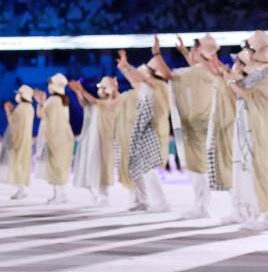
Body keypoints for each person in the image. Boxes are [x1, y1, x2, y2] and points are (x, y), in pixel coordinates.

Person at [217, 31, 268, 231]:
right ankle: (244, 210)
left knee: (259, 168)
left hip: (258, 125)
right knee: (243, 167)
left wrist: (230, 80)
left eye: (249, 47)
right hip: (244, 121)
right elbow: (239, 82)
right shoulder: (254, 68)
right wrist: (235, 71)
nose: (246, 50)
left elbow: (247, 94)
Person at [154, 35, 225, 219]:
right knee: (200, 166)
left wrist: (157, 55)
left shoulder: (200, 71)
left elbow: (170, 75)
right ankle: (202, 205)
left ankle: (201, 207)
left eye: (195, 48)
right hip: (203, 124)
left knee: (197, 167)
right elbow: (194, 68)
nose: (192, 52)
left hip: (197, 126)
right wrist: (185, 52)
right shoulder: (208, 71)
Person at [116, 42, 171, 214]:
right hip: (144, 128)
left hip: (152, 129)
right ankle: (142, 200)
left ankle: (161, 203)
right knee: (138, 166)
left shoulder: (160, 85)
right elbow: (136, 81)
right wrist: (125, 69)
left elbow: (140, 79)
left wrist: (127, 66)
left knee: (148, 168)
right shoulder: (147, 84)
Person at [68, 77, 118, 206]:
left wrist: (82, 90)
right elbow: (86, 104)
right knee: (89, 166)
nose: (99, 90)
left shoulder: (112, 102)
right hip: (92, 140)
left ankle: (103, 196)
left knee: (103, 168)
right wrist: (78, 92)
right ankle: (95, 194)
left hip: (104, 141)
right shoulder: (99, 103)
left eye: (102, 88)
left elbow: (95, 102)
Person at [39, 74, 74, 205]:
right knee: (61, 166)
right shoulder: (64, 99)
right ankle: (62, 194)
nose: (48, 86)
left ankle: (58, 195)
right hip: (65, 136)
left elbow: (41, 114)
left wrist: (41, 101)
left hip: (56, 138)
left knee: (55, 166)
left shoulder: (52, 100)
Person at [0, 85, 36, 200]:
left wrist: (8, 112)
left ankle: (21, 189)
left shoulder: (21, 108)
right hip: (26, 139)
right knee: (23, 164)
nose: (16, 95)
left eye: (18, 93)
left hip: (19, 140)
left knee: (18, 164)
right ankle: (21, 188)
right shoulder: (29, 107)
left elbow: (13, 124)